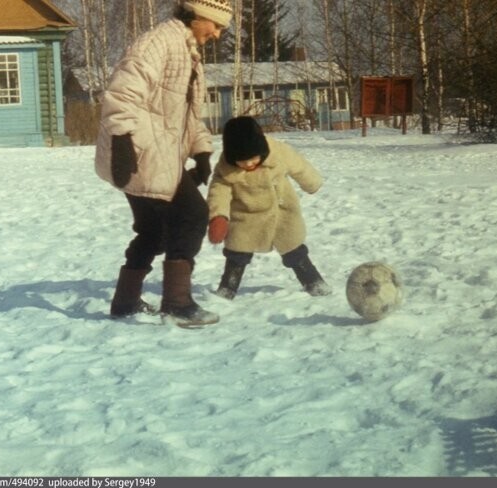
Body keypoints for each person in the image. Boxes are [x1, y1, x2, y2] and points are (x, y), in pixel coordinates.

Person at [94, 0, 233, 326]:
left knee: (154, 230)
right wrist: (123, 141)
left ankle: (125, 303)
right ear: (198, 16)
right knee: (192, 217)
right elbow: (121, 93)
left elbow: (184, 113)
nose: (216, 34)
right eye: (215, 24)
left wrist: (201, 151)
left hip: (156, 153)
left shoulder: (185, 49)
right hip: (143, 154)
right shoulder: (159, 43)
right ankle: (177, 304)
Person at [207, 116, 332, 299]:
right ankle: (227, 288)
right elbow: (219, 190)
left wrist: (312, 182)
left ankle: (314, 282)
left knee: (294, 250)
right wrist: (218, 216)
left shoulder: (278, 152)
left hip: (281, 212)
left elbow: (299, 166)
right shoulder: (226, 167)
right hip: (245, 217)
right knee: (236, 254)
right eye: (242, 161)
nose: (249, 164)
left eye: (252, 158)